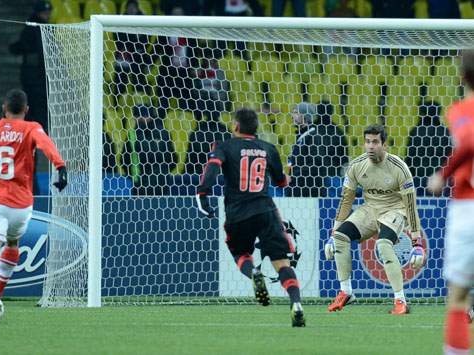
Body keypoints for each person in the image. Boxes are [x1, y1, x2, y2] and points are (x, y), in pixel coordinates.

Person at [196, 108, 305, 327]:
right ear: (256, 127)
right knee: (281, 262)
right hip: (266, 211)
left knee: (240, 253)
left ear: (236, 126)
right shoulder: (269, 148)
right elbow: (281, 183)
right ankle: (296, 303)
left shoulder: (224, 146)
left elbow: (211, 171)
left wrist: (202, 195)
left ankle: (254, 272)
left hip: (237, 213)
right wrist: (287, 176)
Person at [0, 89, 67, 324]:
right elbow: (46, 145)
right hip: (22, 204)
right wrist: (61, 167)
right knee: (12, 243)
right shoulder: (32, 128)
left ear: (4, 108)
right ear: (26, 110)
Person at [324, 124, 425, 315]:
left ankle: (400, 301)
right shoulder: (356, 166)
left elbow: (410, 206)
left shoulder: (399, 168)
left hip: (394, 209)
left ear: (384, 145)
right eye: (368, 142)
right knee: (340, 237)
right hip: (369, 209)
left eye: (375, 142)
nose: (371, 146)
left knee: (383, 244)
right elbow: (346, 200)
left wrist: (416, 243)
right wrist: (332, 233)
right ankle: (346, 292)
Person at [426, 49, 474, 355]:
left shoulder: (459, 111)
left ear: (462, 76)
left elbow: (469, 139)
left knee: (457, 299)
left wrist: (443, 174)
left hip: (468, 207)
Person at [288, 102, 348, 197]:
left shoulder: (312, 136)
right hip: (299, 189)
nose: (292, 116)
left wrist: (295, 177)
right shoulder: (303, 136)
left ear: (305, 116)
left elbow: (315, 165)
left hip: (307, 192)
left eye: (296, 112)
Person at [9, 1, 52, 131]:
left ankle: (33, 129)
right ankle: (37, 130)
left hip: (35, 75)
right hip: (35, 76)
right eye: (44, 12)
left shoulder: (35, 27)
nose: (47, 15)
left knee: (35, 105)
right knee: (36, 105)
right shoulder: (35, 28)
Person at [121, 105, 177, 195]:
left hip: (152, 182)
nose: (140, 118)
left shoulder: (163, 134)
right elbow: (124, 159)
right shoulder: (163, 133)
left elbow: (172, 159)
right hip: (148, 182)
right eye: (137, 116)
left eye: (143, 115)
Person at [405, 100, 452, 195]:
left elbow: (409, 157)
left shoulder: (416, 132)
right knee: (440, 206)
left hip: (419, 178)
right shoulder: (445, 132)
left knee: (421, 206)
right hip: (440, 179)